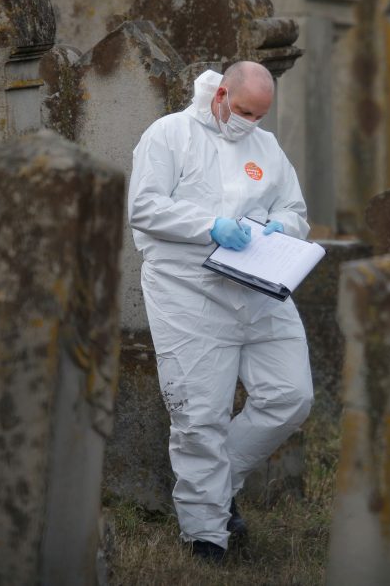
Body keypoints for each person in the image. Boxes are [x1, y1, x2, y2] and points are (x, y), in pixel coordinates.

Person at [128, 62, 314, 562]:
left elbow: (295, 209)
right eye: (244, 110)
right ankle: (206, 534)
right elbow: (143, 207)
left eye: (260, 114)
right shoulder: (169, 134)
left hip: (259, 284)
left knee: (290, 396)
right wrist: (209, 225)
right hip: (188, 289)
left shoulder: (266, 147)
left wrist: (282, 227)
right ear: (222, 93)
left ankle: (211, 489)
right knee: (200, 414)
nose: (249, 122)